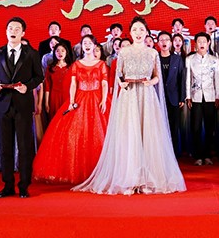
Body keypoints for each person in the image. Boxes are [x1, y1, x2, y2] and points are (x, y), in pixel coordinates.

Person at [74, 17, 186, 195]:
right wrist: (122, 83)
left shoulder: (152, 53)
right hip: (129, 97)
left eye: (141, 30)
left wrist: (150, 82)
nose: (138, 33)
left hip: (147, 97)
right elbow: (118, 75)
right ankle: (129, 179)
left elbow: (157, 77)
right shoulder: (124, 52)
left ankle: (148, 179)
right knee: (129, 135)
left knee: (148, 136)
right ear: (130, 32)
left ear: (147, 32)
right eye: (135, 30)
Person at [34, 35, 109, 184]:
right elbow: (73, 84)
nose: (87, 45)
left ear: (95, 46)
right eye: (84, 43)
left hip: (97, 99)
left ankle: (100, 171)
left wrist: (104, 99)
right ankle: (79, 171)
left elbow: (104, 83)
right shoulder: (76, 64)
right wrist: (72, 100)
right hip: (80, 99)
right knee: (76, 133)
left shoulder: (101, 64)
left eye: (90, 43)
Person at [0, 17, 44, 198]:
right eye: (10, 28)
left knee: (24, 146)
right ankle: (7, 185)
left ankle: (24, 185)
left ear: (23, 33)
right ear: (6, 31)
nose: (13, 31)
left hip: (23, 105)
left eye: (17, 29)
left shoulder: (32, 53)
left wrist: (27, 86)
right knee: (5, 147)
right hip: (2, 105)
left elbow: (39, 77)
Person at [186, 32, 219, 166]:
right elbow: (188, 79)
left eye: (204, 42)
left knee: (209, 127)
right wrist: (188, 96)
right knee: (196, 127)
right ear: (195, 44)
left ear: (208, 43)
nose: (201, 44)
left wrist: (218, 96)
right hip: (195, 97)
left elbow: (217, 79)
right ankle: (198, 155)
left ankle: (207, 155)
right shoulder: (190, 59)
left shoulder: (214, 60)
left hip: (210, 97)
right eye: (199, 42)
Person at [157, 32, 186, 156]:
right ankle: (160, 154)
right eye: (161, 40)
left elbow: (181, 79)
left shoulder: (177, 59)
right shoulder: (155, 58)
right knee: (160, 127)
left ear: (170, 43)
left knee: (174, 127)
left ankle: (173, 155)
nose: (164, 42)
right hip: (158, 98)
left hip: (174, 98)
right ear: (158, 43)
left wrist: (182, 98)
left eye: (166, 39)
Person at [43, 42, 73, 120]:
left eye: (62, 50)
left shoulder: (71, 67)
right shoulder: (50, 68)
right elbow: (47, 86)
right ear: (54, 53)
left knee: (67, 120)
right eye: (57, 51)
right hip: (54, 98)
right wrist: (46, 102)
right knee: (54, 119)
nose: (60, 53)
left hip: (67, 97)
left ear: (66, 52)